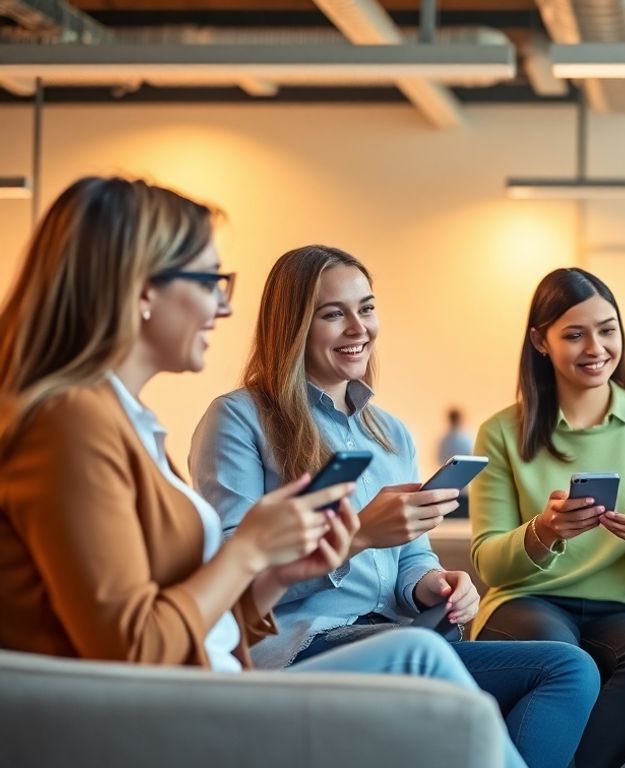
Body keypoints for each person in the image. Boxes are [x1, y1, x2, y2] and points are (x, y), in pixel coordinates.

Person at [0, 177, 498, 749]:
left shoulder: (123, 421)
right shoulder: (73, 424)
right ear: (141, 290)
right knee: (419, 658)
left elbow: (198, 618)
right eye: (210, 280)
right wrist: (249, 551)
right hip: (162, 711)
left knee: (476, 668)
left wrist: (277, 568)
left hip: (209, 677)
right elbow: (134, 653)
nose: (225, 304)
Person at [190, 245, 597, 768]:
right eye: (334, 313)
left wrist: (432, 584)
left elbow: (411, 556)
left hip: (394, 632)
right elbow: (230, 573)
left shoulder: (390, 433)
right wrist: (356, 534)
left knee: (570, 669)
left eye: (367, 308)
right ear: (292, 326)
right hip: (300, 645)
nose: (359, 328)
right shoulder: (238, 420)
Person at [468, 267, 625, 768]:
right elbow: (489, 563)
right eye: (574, 334)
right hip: (528, 599)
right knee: (557, 656)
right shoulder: (501, 433)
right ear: (540, 341)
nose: (595, 347)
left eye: (607, 329)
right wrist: (543, 531)